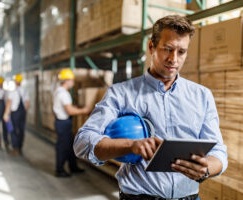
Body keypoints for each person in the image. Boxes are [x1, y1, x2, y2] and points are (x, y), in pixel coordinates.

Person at [74, 15, 228, 200]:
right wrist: (131, 145)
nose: (174, 59)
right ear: (151, 47)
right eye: (167, 49)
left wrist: (206, 169)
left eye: (181, 52)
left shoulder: (202, 96)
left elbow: (218, 151)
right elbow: (82, 141)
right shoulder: (121, 94)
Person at [53, 68, 90, 177]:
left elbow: (67, 107)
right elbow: (69, 110)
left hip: (62, 122)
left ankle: (73, 167)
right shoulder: (64, 94)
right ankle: (59, 170)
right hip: (63, 123)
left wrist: (76, 107)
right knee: (63, 147)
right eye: (72, 80)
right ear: (66, 81)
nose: (73, 82)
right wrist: (84, 110)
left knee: (70, 146)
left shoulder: (58, 90)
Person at [3, 73, 30, 156]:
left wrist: (6, 114)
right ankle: (20, 147)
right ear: (21, 82)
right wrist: (25, 112)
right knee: (21, 131)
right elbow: (28, 103)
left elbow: (9, 103)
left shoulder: (13, 92)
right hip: (23, 113)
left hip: (15, 113)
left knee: (13, 130)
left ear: (15, 82)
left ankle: (15, 148)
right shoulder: (25, 91)